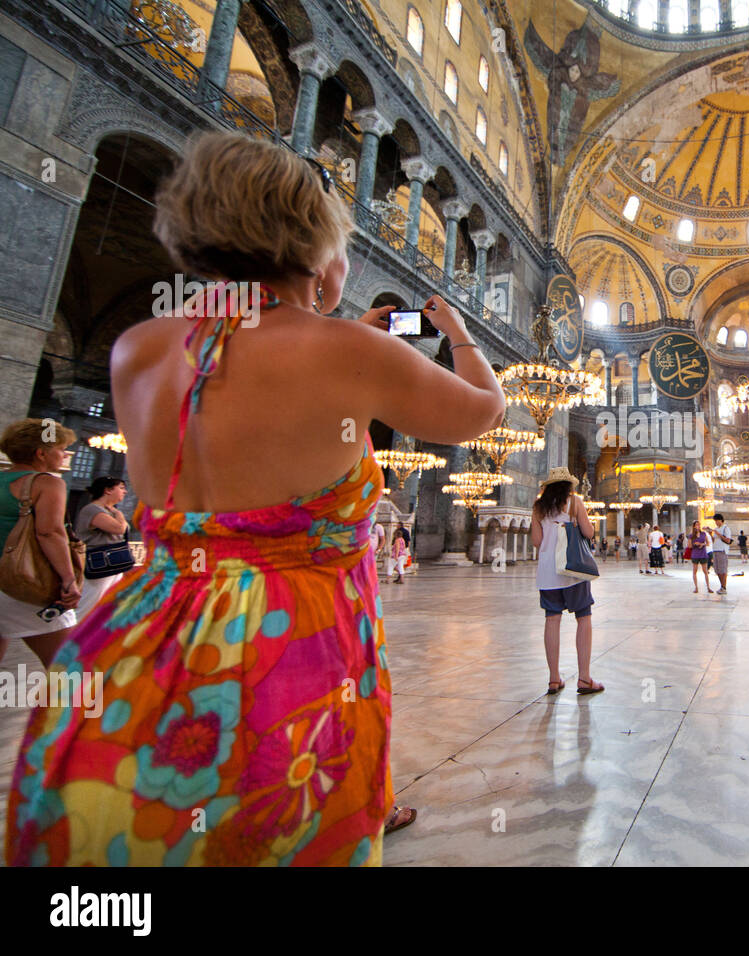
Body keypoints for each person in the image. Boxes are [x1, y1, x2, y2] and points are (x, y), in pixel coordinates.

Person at [5, 131, 507, 866]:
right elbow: (484, 410)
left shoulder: (136, 348)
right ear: (316, 249)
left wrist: (343, 343)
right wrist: (454, 331)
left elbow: (235, 399)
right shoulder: (350, 353)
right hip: (289, 659)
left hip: (139, 646)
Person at [0, 419, 82, 668]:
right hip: (21, 582)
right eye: (61, 448)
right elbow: (50, 533)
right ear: (41, 453)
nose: (65, 454)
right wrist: (68, 580)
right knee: (65, 663)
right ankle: (64, 708)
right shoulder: (47, 483)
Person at [531, 468, 603, 697]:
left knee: (552, 619)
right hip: (573, 570)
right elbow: (589, 533)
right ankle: (584, 677)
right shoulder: (575, 502)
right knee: (583, 618)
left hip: (547, 573)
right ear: (568, 485)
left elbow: (536, 541)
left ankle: (554, 679)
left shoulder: (538, 507)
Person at [74, 475, 132, 612]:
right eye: (121, 488)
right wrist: (119, 514)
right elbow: (119, 528)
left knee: (109, 603)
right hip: (100, 562)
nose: (125, 492)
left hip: (114, 561)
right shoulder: (92, 509)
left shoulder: (109, 511)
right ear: (108, 490)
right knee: (90, 603)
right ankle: (76, 631)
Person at [710, 513, 732, 595]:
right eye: (715, 521)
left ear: (721, 520)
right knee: (717, 569)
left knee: (723, 569)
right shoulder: (716, 528)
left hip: (722, 550)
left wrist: (719, 534)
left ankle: (724, 587)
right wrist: (710, 534)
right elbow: (714, 540)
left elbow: (728, 540)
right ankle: (722, 586)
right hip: (715, 550)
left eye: (717, 521)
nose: (716, 522)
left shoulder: (726, 528)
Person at [688, 520, 712, 594]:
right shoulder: (691, 535)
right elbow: (689, 546)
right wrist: (695, 544)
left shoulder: (703, 534)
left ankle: (708, 587)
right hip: (695, 554)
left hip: (703, 553)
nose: (698, 526)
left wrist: (702, 544)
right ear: (694, 526)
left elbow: (708, 543)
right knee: (695, 571)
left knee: (705, 571)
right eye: (696, 525)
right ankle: (696, 587)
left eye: (699, 524)